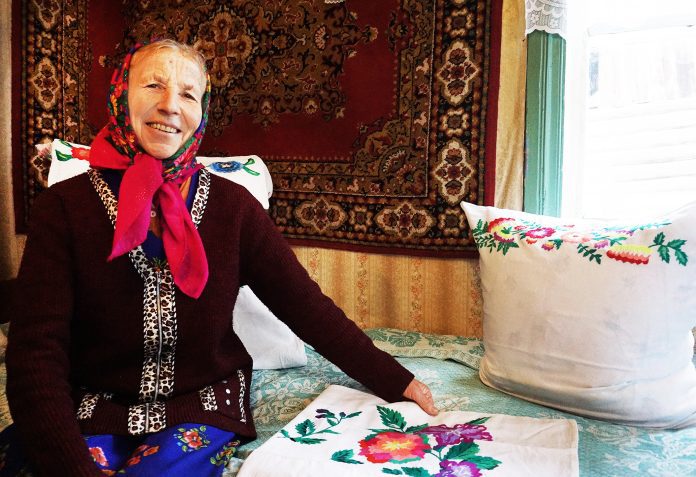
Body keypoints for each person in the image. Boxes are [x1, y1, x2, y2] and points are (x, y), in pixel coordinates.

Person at [4, 39, 437, 476]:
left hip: (200, 404)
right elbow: (35, 350)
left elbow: (305, 306)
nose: (170, 105)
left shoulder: (234, 208)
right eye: (153, 85)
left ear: (203, 110)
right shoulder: (65, 208)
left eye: (188, 94)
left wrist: (395, 379)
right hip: (93, 403)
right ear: (120, 95)